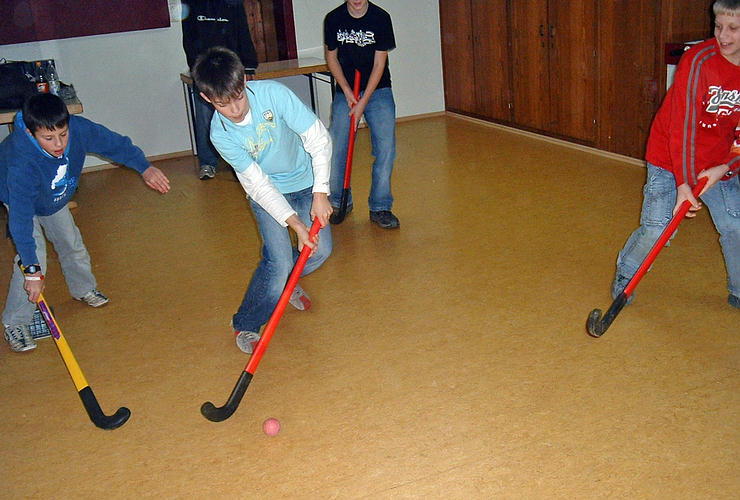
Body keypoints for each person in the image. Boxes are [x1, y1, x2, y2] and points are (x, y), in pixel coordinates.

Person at [0, 93, 171, 352]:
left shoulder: (79, 130)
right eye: (48, 138)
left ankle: (84, 289)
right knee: (33, 259)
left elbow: (114, 144)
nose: (58, 143)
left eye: (63, 134)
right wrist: (33, 271)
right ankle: (15, 322)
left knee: (71, 242)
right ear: (29, 131)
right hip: (21, 200)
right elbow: (21, 221)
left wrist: (144, 167)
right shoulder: (20, 162)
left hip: (54, 198)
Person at [191, 46, 333, 354]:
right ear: (207, 99)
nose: (235, 109)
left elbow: (317, 137)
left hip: (306, 183)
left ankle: (284, 283)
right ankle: (247, 322)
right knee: (279, 262)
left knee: (320, 253)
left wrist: (320, 192)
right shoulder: (220, 135)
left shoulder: (273, 95)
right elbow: (257, 184)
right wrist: (294, 223)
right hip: (268, 193)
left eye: (239, 96)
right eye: (223, 104)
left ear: (245, 80)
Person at [610, 0, 740, 311]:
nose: (723, 36)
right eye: (718, 26)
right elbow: (682, 126)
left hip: (716, 162)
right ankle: (625, 280)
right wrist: (684, 184)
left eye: (733, 28)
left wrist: (726, 167)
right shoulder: (697, 60)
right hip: (670, 158)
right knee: (657, 229)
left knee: (735, 226)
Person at [324, 0, 400, 228]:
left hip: (378, 90)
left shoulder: (380, 18)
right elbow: (331, 57)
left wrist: (362, 101)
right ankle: (339, 201)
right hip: (346, 90)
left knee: (385, 148)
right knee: (337, 146)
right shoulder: (334, 18)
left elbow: (379, 63)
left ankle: (380, 206)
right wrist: (347, 92)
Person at [181, 0, 258, 180]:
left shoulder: (234, 3)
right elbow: (189, 39)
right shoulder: (191, 3)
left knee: (236, 114)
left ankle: (239, 162)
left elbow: (243, 33)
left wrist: (248, 67)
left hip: (230, 71)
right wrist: (197, 71)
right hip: (205, 71)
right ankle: (208, 163)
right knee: (204, 118)